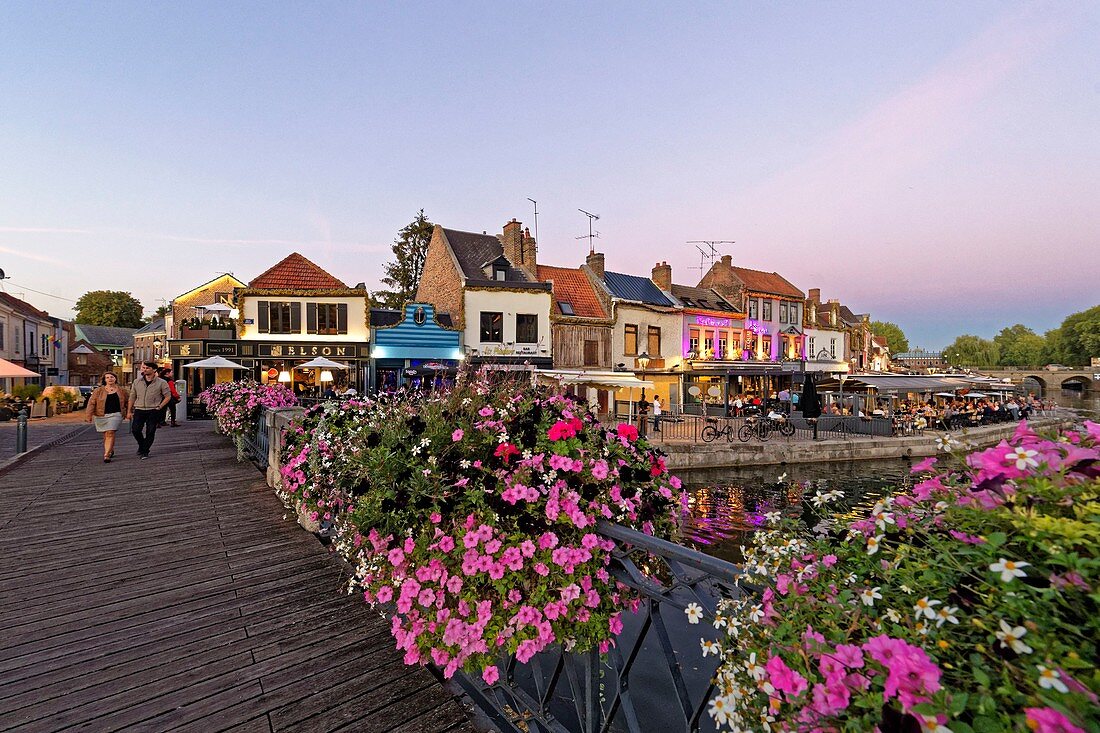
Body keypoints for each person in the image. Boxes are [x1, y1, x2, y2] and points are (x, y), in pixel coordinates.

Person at [127, 361, 172, 460]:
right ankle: (142, 444)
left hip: (154, 409)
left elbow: (167, 396)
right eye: (144, 368)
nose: (145, 369)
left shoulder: (161, 382)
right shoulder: (137, 382)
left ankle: (145, 451)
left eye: (147, 368)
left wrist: (160, 406)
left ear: (154, 370)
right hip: (139, 409)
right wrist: (129, 411)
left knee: (150, 431)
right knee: (135, 430)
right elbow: (132, 396)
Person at [85, 372, 129, 463]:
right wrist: (88, 415)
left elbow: (127, 402)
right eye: (107, 377)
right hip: (101, 415)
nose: (110, 379)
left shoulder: (122, 390)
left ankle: (106, 454)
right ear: (105, 380)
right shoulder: (98, 391)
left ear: (115, 378)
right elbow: (91, 403)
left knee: (110, 432)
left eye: (112, 377)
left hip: (116, 414)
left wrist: (130, 412)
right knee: (105, 434)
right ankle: (110, 449)